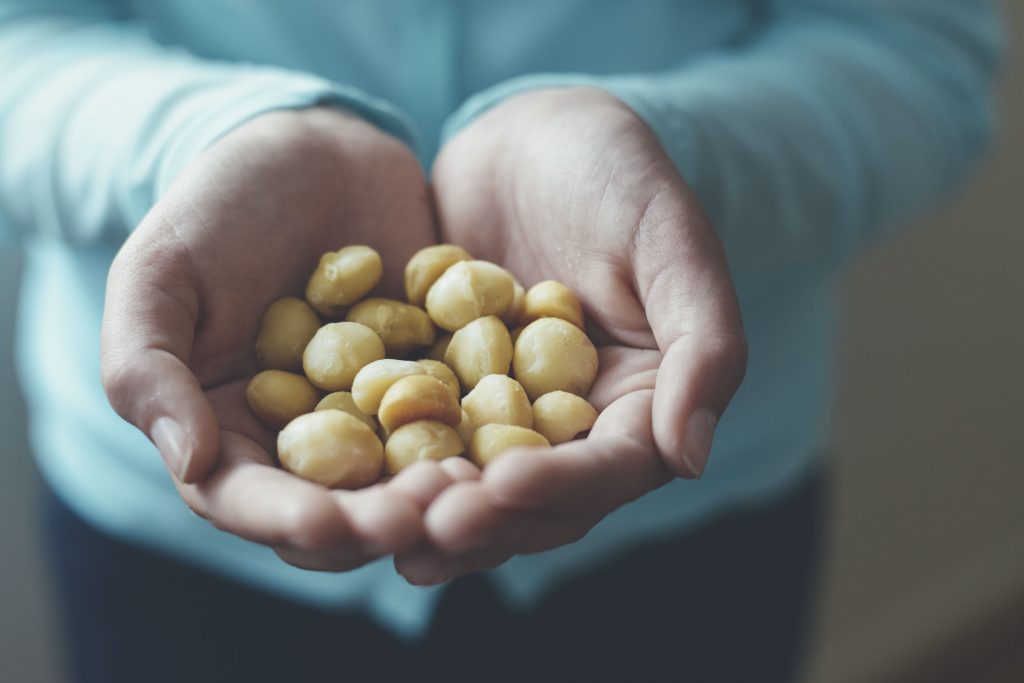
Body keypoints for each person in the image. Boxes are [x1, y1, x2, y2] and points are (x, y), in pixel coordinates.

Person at [0, 1, 1003, 681]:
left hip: (678, 505)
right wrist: (202, 140)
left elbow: (919, 51)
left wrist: (667, 149)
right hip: (179, 530)